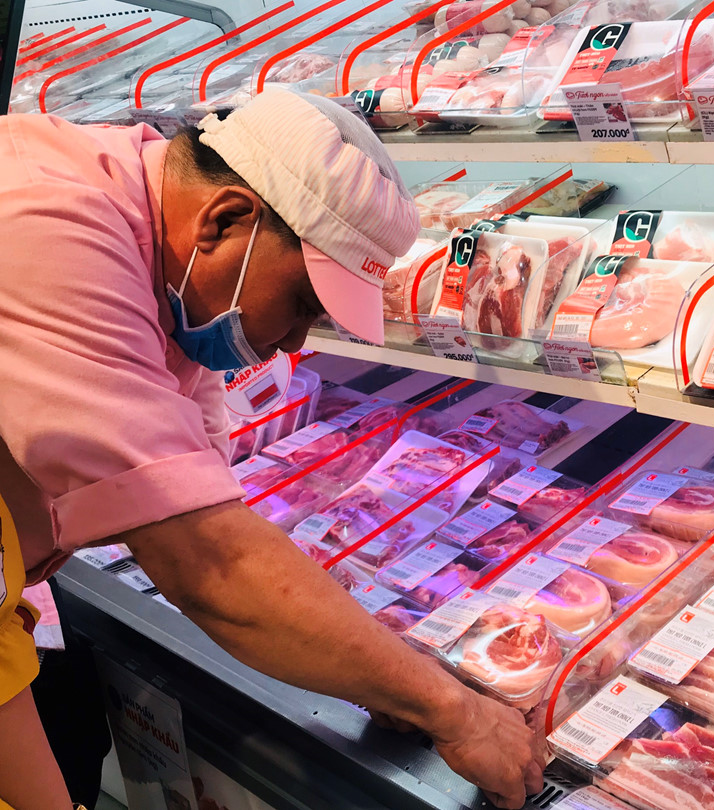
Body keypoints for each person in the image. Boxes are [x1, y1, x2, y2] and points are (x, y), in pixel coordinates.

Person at [0, 89, 545, 810]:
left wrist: (380, 671)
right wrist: (455, 712)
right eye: (302, 304)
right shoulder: (48, 229)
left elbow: (203, 493)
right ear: (226, 219)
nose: (292, 342)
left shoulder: (163, 252)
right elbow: (207, 561)